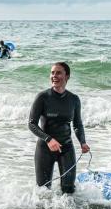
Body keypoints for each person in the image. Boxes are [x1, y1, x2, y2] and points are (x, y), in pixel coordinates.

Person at [28, 62, 90, 194]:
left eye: (58, 73)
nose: (54, 76)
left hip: (66, 148)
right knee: (43, 191)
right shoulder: (42, 97)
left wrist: (82, 142)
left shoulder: (74, 99)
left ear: (67, 76)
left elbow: (77, 124)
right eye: (52, 73)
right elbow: (32, 124)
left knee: (68, 190)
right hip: (45, 149)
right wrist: (48, 139)